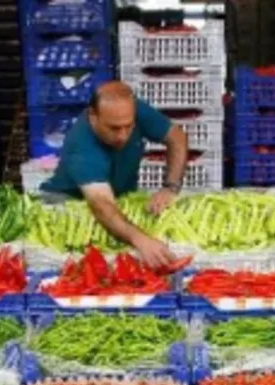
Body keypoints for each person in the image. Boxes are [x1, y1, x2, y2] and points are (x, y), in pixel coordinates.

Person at [41, 81, 189, 269]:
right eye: (114, 128)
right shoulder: (81, 146)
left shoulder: (130, 110)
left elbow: (176, 137)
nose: (123, 136)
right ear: (93, 116)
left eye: (129, 127)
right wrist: (140, 239)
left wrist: (170, 187)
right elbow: (101, 205)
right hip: (69, 203)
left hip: (115, 196)